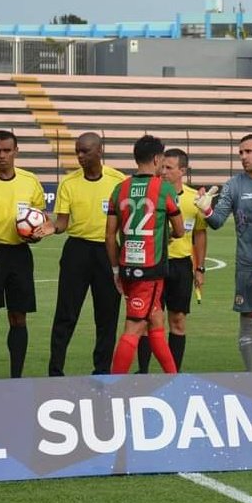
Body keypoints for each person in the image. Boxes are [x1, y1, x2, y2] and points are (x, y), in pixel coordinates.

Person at [196, 134, 252, 372]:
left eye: (248, 152)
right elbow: (216, 222)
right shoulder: (233, 185)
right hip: (248, 265)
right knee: (249, 321)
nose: (243, 157)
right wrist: (206, 209)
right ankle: (251, 377)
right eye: (241, 153)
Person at [0, 130, 54, 379]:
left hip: (20, 255)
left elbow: (41, 218)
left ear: (16, 151)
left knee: (18, 318)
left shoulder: (30, 181)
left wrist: (37, 233)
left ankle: (16, 378)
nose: (2, 155)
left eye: (7, 150)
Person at [48, 132, 127, 376]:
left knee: (106, 316)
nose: (80, 156)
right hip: (77, 251)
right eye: (77, 151)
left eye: (85, 151)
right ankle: (55, 370)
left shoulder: (118, 181)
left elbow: (125, 221)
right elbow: (61, 222)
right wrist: (49, 227)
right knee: (66, 312)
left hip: (108, 252)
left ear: (99, 151)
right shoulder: (69, 183)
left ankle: (101, 369)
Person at [106, 135, 185, 374]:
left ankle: (173, 377)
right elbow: (180, 230)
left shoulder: (120, 188)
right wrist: (167, 233)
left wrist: (116, 270)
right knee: (134, 327)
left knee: (156, 321)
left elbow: (109, 235)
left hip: (127, 266)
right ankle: (112, 387)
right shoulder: (164, 189)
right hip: (150, 271)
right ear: (157, 158)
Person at [136, 148, 206, 373]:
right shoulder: (152, 193)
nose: (163, 172)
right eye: (162, 167)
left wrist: (200, 268)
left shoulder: (193, 199)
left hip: (181, 265)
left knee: (177, 320)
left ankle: (174, 373)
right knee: (148, 321)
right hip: (155, 264)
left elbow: (199, 234)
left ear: (182, 171)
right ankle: (143, 371)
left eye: (169, 168)